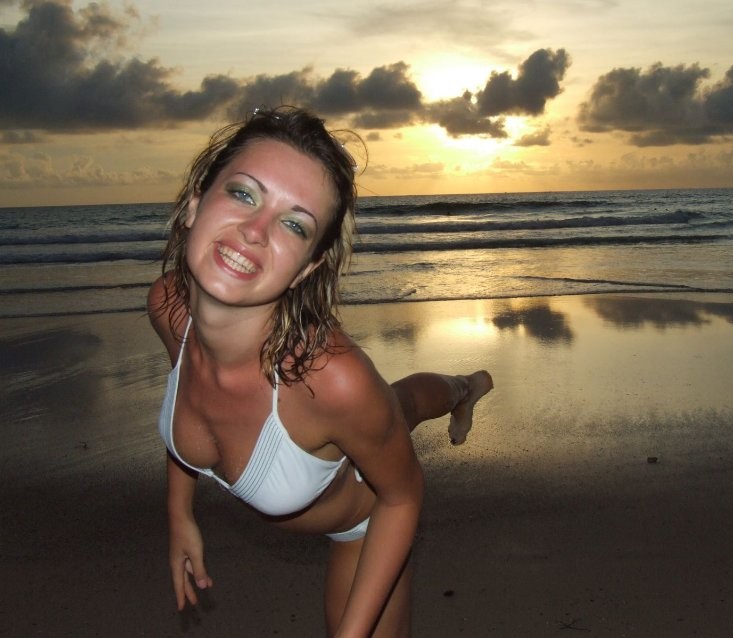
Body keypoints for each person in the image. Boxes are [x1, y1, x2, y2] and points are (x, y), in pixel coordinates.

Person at [147, 105, 493, 637]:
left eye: (293, 223)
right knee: (399, 404)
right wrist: (180, 517)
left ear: (308, 265)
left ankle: (466, 387)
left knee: (396, 409)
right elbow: (187, 385)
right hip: (338, 429)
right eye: (243, 193)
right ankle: (460, 389)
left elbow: (403, 495)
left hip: (366, 517)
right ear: (197, 200)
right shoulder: (168, 307)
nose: (255, 231)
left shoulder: (333, 379)